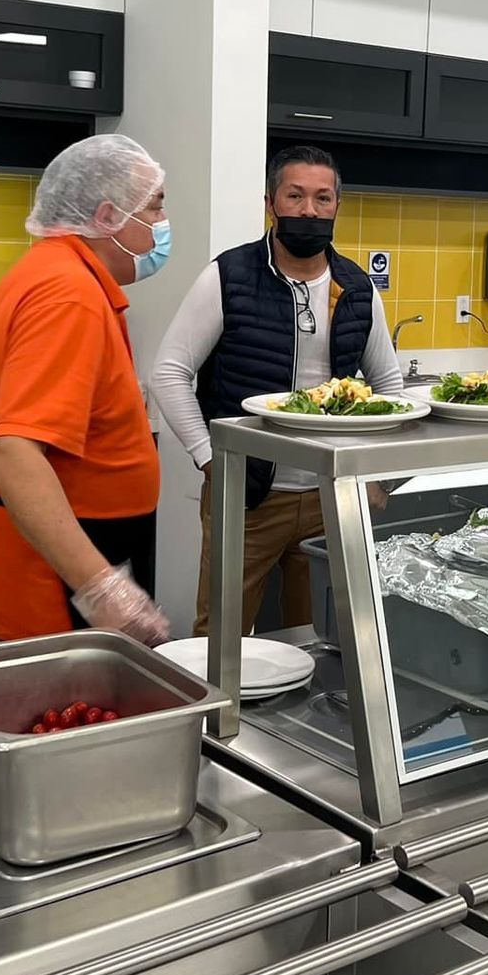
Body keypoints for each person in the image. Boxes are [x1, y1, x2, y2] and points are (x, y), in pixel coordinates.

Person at [151, 145, 404, 636]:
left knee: (323, 636)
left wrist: (376, 474)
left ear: (336, 207)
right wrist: (211, 459)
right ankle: (218, 717)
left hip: (331, 495)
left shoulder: (356, 287)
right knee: (221, 636)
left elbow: (389, 385)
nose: (309, 210)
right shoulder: (229, 276)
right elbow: (170, 371)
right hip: (247, 498)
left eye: (322, 199)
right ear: (271, 203)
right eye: (296, 196)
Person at [0, 134, 172, 646]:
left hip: (50, 565)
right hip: (42, 586)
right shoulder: (69, 295)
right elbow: (15, 453)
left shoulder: (54, 273)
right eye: (155, 206)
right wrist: (102, 588)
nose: (161, 224)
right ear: (109, 216)